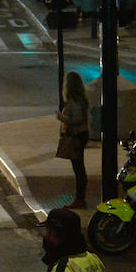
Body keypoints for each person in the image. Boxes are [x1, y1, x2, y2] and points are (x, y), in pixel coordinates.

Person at [57, 71, 91, 209]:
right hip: (81, 134)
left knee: (78, 168)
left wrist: (62, 118)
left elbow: (77, 119)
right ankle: (80, 198)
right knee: (79, 167)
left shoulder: (74, 101)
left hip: (77, 136)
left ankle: (80, 199)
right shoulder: (81, 99)